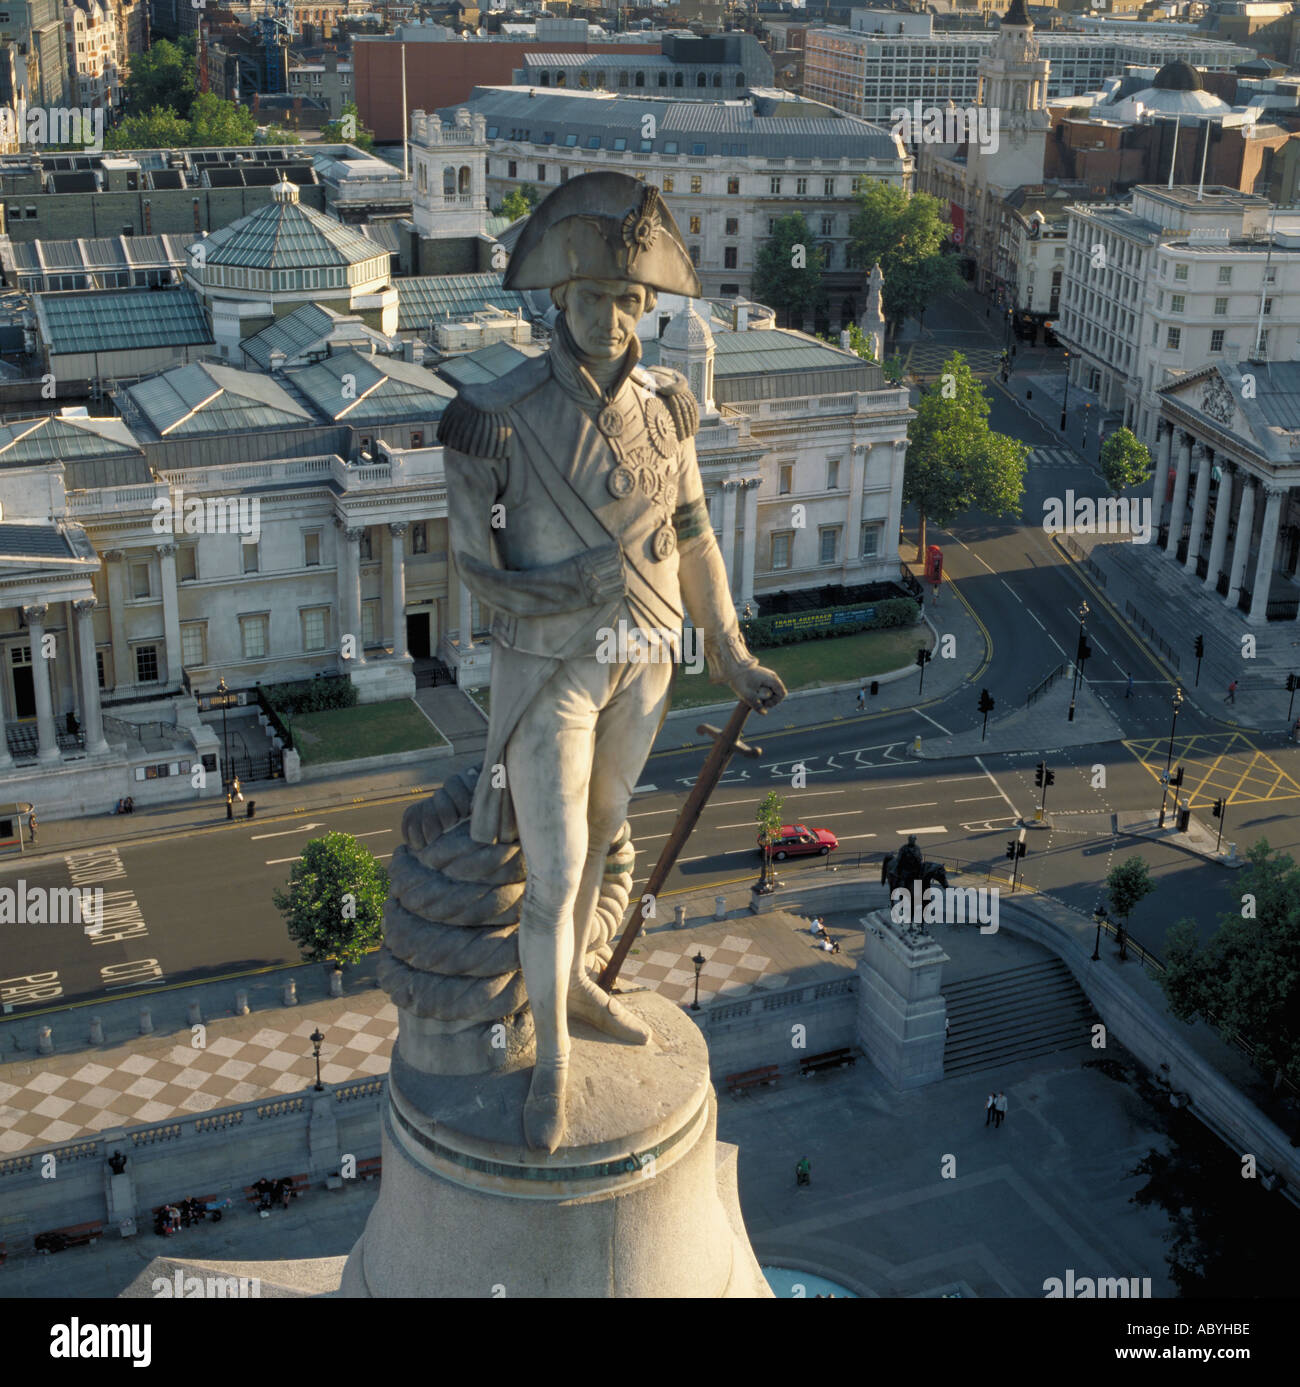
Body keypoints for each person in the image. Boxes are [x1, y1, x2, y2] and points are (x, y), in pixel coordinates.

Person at [439, 172, 787, 1152]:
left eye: (625, 299)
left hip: (649, 660)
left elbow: (693, 533)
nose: (606, 315)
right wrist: (575, 584)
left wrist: (729, 646)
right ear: (558, 297)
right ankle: (551, 1059)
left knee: (601, 839)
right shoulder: (492, 417)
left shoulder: (670, 407)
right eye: (589, 296)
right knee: (551, 874)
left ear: (644, 306)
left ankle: (580, 988)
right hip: (551, 669)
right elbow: (479, 567)